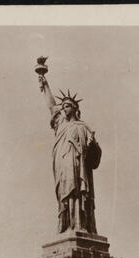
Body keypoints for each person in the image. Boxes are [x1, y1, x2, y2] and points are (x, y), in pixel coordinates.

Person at [39, 73, 101, 234]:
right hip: (62, 163)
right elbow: (51, 106)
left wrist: (92, 145)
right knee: (64, 192)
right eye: (63, 106)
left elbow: (94, 155)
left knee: (77, 190)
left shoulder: (83, 127)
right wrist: (45, 85)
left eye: (67, 106)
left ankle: (80, 224)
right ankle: (65, 224)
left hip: (78, 165)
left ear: (74, 108)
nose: (64, 108)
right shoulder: (60, 123)